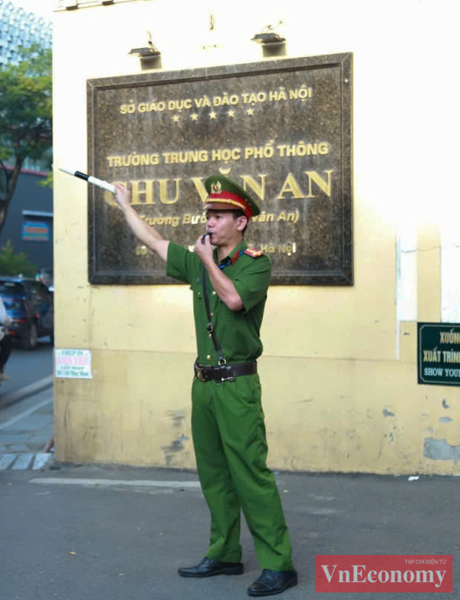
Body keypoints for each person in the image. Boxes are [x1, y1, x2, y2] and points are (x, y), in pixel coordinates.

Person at [111, 175, 297, 597]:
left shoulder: (255, 262)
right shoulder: (199, 258)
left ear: (241, 222)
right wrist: (124, 205)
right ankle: (226, 553)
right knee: (214, 475)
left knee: (251, 474)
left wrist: (208, 261)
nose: (209, 223)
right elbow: (155, 242)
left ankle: (279, 564)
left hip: (237, 385)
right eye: (208, 216)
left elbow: (233, 299)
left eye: (218, 216)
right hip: (204, 385)